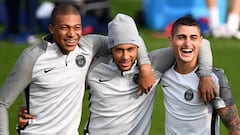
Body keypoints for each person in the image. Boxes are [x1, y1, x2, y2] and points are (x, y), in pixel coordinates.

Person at [17, 14, 216, 135]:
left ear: (138, 47)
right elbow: (60, 85)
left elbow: (202, 43)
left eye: (131, 49)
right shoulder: (94, 68)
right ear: (109, 49)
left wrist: (205, 75)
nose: (125, 56)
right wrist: (33, 111)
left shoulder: (156, 63)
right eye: (119, 49)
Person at [0, 4, 154, 135]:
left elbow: (129, 39)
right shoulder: (32, 57)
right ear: (52, 28)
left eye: (77, 28)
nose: (71, 34)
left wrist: (145, 68)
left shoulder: (87, 46)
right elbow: (2, 103)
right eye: (64, 28)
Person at [159, 16, 240, 134]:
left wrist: (205, 75)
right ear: (171, 40)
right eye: (181, 37)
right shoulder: (164, 73)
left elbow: (235, 128)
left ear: (200, 42)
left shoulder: (214, 79)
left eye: (193, 38)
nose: (187, 43)